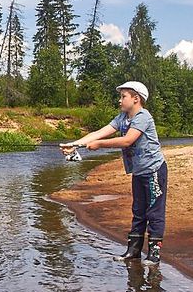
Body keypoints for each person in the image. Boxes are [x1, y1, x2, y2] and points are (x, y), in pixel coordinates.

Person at [59, 81, 167, 265]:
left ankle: (154, 253)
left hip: (154, 170)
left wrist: (99, 145)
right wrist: (74, 144)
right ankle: (133, 251)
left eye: (123, 96)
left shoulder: (143, 117)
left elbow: (127, 140)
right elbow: (100, 132)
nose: (119, 100)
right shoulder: (122, 117)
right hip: (139, 172)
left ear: (136, 98)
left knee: (154, 212)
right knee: (138, 211)